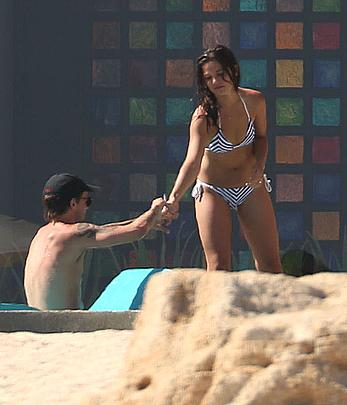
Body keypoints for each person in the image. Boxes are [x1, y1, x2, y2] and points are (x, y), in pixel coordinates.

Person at [164, 45, 282, 273]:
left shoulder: (255, 101)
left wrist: (259, 162)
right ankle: (217, 309)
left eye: (220, 74)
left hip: (250, 186)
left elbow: (262, 137)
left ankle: (272, 308)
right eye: (208, 78)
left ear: (234, 70)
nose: (216, 82)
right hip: (213, 190)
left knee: (271, 266)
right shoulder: (204, 117)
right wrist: (174, 198)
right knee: (219, 267)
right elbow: (192, 161)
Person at [24, 173, 167, 310]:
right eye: (87, 201)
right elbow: (137, 230)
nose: (87, 207)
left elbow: (103, 229)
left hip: (38, 325)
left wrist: (149, 221)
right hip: (64, 328)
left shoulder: (41, 234)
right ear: (73, 203)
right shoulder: (74, 234)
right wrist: (155, 208)